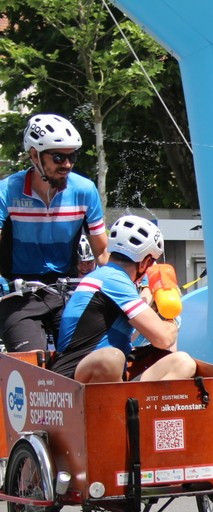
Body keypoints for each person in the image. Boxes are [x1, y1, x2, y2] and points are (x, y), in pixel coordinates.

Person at [0, 113, 107, 352]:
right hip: (18, 295)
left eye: (72, 156)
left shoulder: (84, 191)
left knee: (82, 361)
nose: (67, 165)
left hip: (66, 291)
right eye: (59, 157)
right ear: (35, 155)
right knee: (30, 366)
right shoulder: (6, 191)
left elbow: (103, 252)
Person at [48, 215, 196, 383]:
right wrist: (171, 311)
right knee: (112, 357)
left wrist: (151, 292)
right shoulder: (112, 280)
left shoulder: (110, 278)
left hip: (113, 377)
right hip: (73, 376)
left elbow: (137, 323)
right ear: (144, 262)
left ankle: (137, 407)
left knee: (183, 363)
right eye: (151, 263)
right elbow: (163, 339)